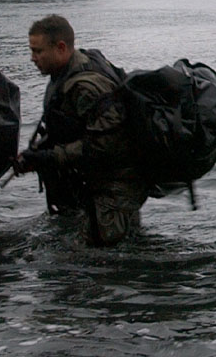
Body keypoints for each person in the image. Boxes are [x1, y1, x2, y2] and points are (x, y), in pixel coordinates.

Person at [13, 15, 147, 246]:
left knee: (107, 255)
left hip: (114, 187)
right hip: (90, 183)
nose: (33, 58)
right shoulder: (64, 75)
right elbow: (69, 127)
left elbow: (107, 144)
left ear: (61, 47)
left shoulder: (87, 86)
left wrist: (49, 157)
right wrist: (35, 156)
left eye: (38, 51)